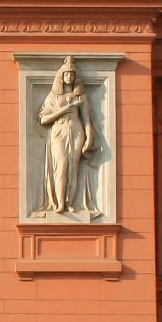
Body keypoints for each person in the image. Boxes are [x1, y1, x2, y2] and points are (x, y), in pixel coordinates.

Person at [37, 56, 99, 218]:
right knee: (61, 167)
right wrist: (64, 110)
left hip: (77, 131)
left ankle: (71, 203)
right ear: (61, 76)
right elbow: (44, 119)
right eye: (66, 74)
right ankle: (59, 204)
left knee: (74, 168)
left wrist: (89, 136)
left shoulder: (81, 97)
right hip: (59, 131)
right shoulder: (53, 97)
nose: (69, 77)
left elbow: (87, 119)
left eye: (72, 74)